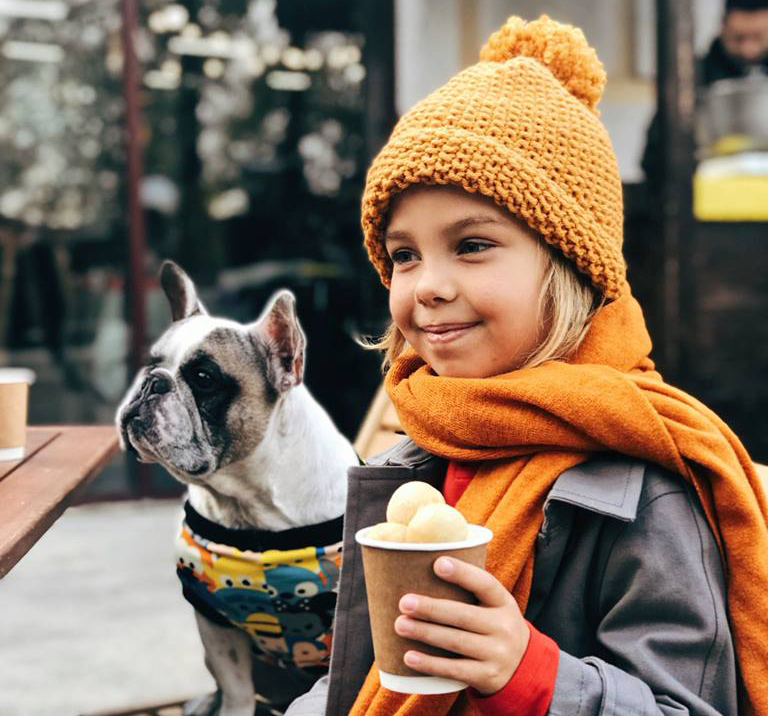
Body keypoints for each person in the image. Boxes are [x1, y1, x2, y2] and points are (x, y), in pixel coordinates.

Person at [285, 15, 768, 716]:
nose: (427, 285)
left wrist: (530, 673)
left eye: (473, 244)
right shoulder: (419, 453)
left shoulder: (646, 488)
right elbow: (362, 682)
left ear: (570, 267)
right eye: (404, 254)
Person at [641, 0, 768, 184]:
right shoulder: (690, 79)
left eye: (758, 37)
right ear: (723, 27)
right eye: (738, 38)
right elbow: (654, 156)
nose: (748, 49)